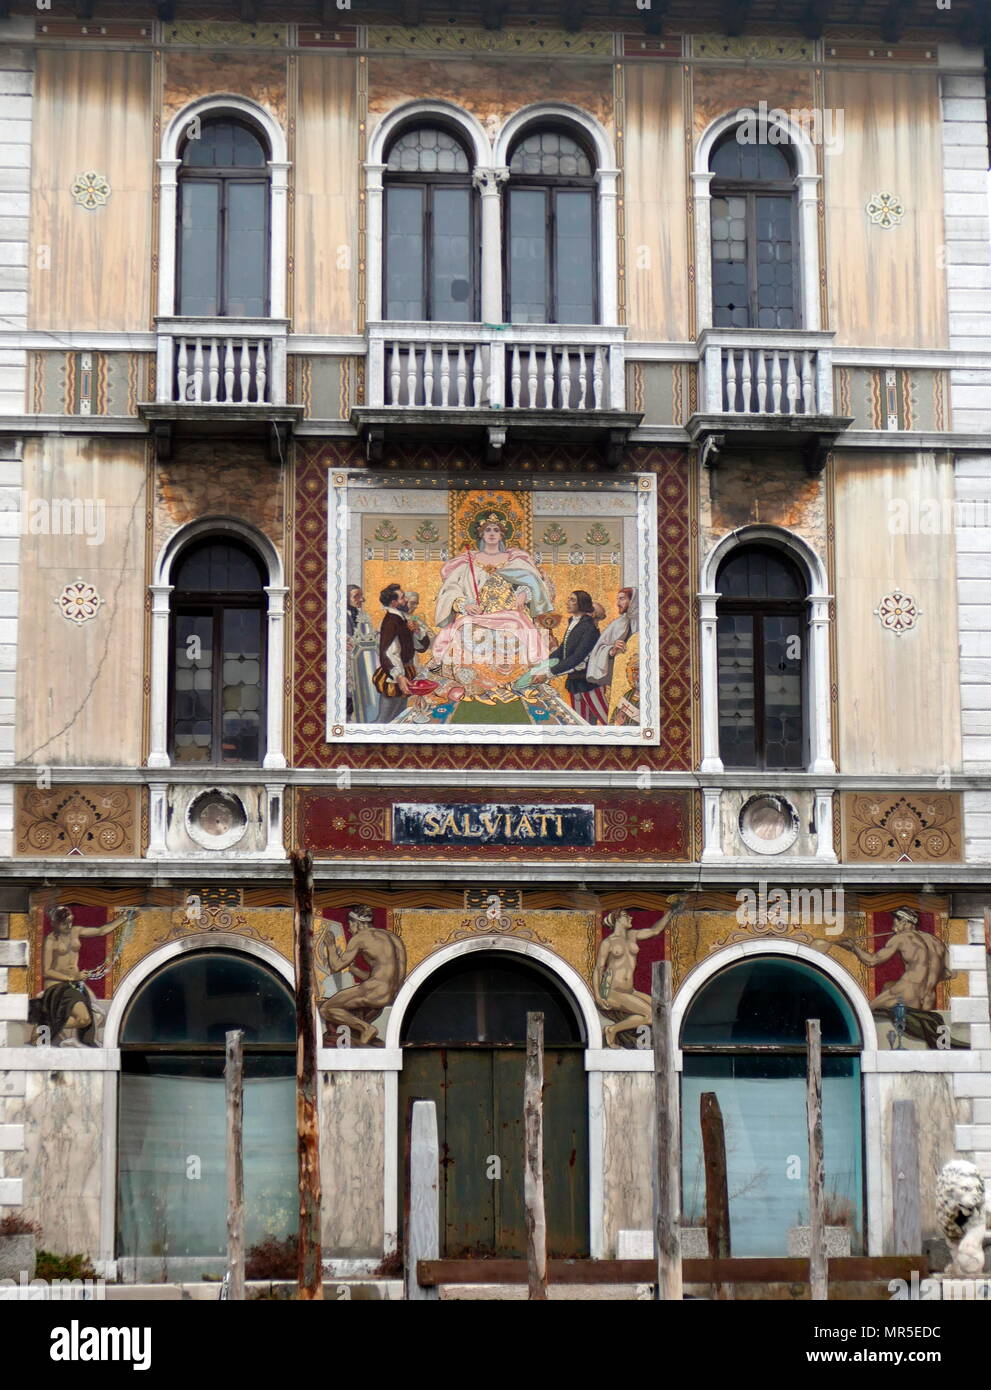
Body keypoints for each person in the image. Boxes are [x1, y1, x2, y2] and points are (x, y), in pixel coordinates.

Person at [431, 514, 554, 694]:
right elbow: (451, 589)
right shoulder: (468, 562)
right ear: (481, 534)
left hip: (509, 613)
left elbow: (533, 582)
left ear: (502, 535)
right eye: (487, 530)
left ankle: (515, 682)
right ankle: (473, 681)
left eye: (496, 530)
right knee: (462, 628)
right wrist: (464, 604)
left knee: (517, 628)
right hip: (477, 614)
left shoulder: (515, 560)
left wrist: (523, 593)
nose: (492, 533)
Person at [831, 906, 959, 1048]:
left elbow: (872, 961)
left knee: (862, 1014)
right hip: (928, 998)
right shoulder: (936, 942)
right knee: (887, 986)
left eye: (896, 921)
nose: (893, 924)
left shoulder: (900, 938)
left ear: (904, 922)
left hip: (906, 993)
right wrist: (927, 976)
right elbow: (953, 973)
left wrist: (854, 948)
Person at [29, 905, 130, 1046]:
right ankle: (46, 1024)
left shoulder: (76, 931)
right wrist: (73, 978)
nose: (69, 926)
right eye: (65, 923)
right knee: (84, 1018)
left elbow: (101, 931)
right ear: (56, 924)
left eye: (71, 921)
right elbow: (47, 971)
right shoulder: (51, 940)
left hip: (75, 984)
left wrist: (123, 918)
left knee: (92, 1016)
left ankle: (49, 1023)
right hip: (57, 985)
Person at [593, 898, 685, 1047]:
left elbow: (655, 930)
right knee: (650, 1015)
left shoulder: (633, 935)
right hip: (611, 991)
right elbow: (598, 969)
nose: (631, 917)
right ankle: (612, 1030)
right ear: (617, 918)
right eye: (626, 916)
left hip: (630, 990)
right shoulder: (608, 942)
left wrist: (671, 912)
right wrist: (598, 995)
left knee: (661, 1009)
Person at [317, 907, 407, 1047]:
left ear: (356, 923)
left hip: (374, 991)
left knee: (326, 1009)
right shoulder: (393, 938)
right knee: (353, 1016)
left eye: (350, 925)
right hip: (391, 994)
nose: (349, 930)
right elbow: (382, 977)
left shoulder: (360, 938)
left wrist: (331, 946)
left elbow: (335, 966)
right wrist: (354, 970)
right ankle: (361, 1031)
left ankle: (366, 1028)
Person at [372, 583, 429, 722]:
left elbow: (422, 646)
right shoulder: (391, 621)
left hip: (404, 671)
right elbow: (389, 652)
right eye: (403, 598)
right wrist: (398, 675)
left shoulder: (404, 619)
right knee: (385, 720)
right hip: (395, 675)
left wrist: (416, 631)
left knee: (399, 716)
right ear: (394, 603)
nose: (407, 602)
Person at [543, 590, 601, 722]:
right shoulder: (574, 622)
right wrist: (544, 664)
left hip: (587, 684)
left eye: (572, 600)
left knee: (591, 719)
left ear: (582, 604)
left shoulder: (589, 627)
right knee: (579, 718)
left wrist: (549, 672)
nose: (567, 602)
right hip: (575, 681)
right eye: (569, 599)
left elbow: (577, 657)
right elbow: (563, 649)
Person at [585, 586, 638, 725]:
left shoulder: (647, 622)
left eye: (622, 599)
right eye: (617, 599)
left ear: (632, 601)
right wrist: (611, 650)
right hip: (619, 679)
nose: (618, 603)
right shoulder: (617, 624)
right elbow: (599, 648)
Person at [346, 583, 378, 723]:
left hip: (360, 664)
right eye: (356, 596)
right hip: (347, 666)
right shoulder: (339, 616)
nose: (362, 599)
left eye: (361, 595)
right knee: (348, 695)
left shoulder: (360, 615)